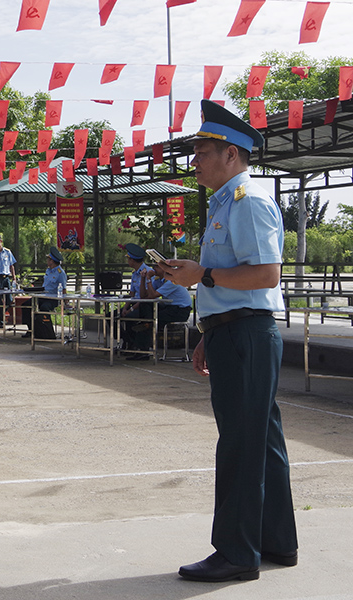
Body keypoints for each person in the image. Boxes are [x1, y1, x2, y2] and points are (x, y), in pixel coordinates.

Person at [160, 100, 297, 583]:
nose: (194, 160)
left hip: (247, 334)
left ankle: (237, 553)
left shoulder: (248, 201)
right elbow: (232, 282)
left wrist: (202, 275)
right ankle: (276, 541)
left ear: (231, 155)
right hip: (234, 331)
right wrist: (208, 330)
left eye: (202, 152)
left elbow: (265, 274)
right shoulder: (225, 203)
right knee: (263, 441)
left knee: (241, 443)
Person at [129, 258, 193, 360]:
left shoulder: (171, 281)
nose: (154, 269)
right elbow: (144, 296)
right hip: (168, 307)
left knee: (151, 321)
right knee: (144, 306)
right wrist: (143, 278)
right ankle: (146, 324)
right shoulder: (158, 280)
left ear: (165, 269)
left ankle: (147, 328)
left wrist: (149, 279)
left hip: (179, 310)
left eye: (157, 267)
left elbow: (153, 295)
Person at [21, 247, 67, 339]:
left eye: (48, 259)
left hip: (53, 298)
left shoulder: (60, 273)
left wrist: (66, 302)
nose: (47, 261)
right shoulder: (48, 270)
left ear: (52, 261)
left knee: (44, 308)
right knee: (26, 306)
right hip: (42, 295)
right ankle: (31, 330)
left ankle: (47, 332)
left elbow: (64, 289)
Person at [117, 243, 153, 352]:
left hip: (143, 305)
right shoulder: (134, 274)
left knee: (129, 318)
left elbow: (144, 298)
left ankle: (133, 344)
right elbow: (131, 294)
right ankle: (127, 340)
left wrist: (130, 310)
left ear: (132, 260)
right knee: (111, 316)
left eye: (128, 259)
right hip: (134, 303)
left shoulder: (147, 272)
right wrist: (125, 308)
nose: (128, 261)